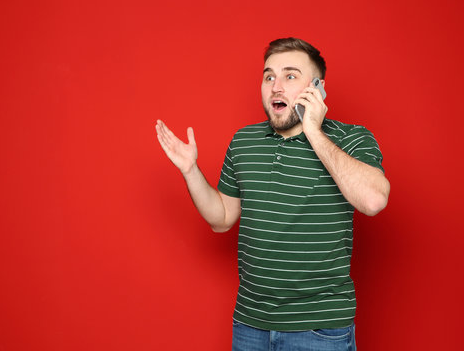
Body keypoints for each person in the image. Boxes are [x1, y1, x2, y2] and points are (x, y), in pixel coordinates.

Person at [155, 37, 390, 351]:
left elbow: (373, 201)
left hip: (318, 331)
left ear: (318, 88)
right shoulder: (243, 141)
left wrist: (314, 132)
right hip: (250, 325)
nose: (276, 86)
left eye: (290, 76)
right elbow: (222, 218)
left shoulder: (350, 138)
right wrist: (190, 170)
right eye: (269, 76)